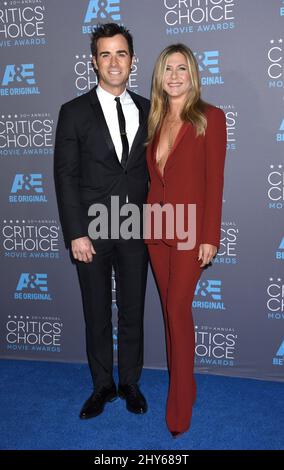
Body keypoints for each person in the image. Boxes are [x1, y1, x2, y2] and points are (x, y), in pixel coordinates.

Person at [54, 23, 149, 420]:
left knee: (132, 310)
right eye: (105, 54)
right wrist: (76, 232)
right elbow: (65, 175)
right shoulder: (73, 112)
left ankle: (129, 382)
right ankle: (102, 386)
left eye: (121, 54)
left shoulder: (149, 108)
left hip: (135, 227)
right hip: (91, 230)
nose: (114, 62)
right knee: (96, 311)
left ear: (132, 61)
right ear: (93, 62)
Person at [145, 43, 227, 437]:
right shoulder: (155, 120)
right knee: (169, 315)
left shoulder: (210, 118)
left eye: (182, 68)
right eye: (167, 69)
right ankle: (187, 387)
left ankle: (179, 409)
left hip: (191, 233)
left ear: (193, 74)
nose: (174, 76)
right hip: (155, 231)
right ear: (159, 77)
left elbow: (215, 182)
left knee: (178, 312)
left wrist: (210, 236)